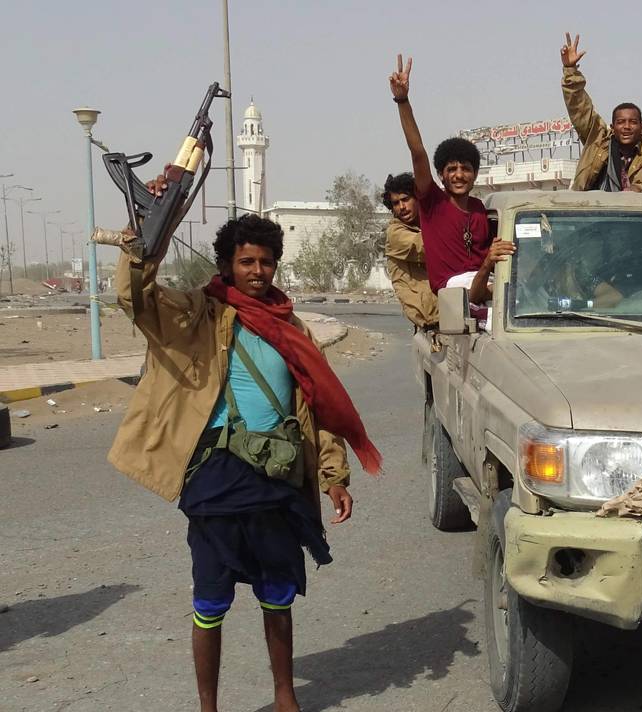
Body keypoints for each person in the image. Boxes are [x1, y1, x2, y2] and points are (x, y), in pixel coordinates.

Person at [109, 179, 382, 712]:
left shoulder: (291, 326)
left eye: (266, 263)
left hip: (278, 480)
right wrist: (142, 237)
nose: (257, 272)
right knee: (210, 600)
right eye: (247, 262)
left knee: (277, 597)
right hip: (216, 477)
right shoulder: (199, 315)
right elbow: (133, 296)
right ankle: (208, 706)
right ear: (227, 264)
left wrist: (333, 474)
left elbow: (316, 407)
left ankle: (285, 698)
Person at [390, 54, 514, 307]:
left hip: (486, 288)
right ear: (441, 175)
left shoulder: (481, 210)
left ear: (475, 174)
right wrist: (402, 100)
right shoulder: (432, 202)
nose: (459, 175)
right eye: (452, 169)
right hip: (454, 293)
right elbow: (418, 152)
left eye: (465, 169)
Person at [560, 33, 642, 193]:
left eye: (633, 122)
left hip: (634, 215)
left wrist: (638, 188)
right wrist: (570, 71)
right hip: (590, 213)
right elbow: (579, 108)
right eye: (621, 122)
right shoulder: (598, 141)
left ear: (641, 126)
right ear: (613, 127)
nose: (627, 127)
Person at [381, 172, 438, 330]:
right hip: (431, 317)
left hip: (447, 311)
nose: (402, 207)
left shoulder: (425, 224)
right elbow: (429, 247)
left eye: (406, 199)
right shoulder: (396, 233)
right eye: (396, 203)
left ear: (417, 199)